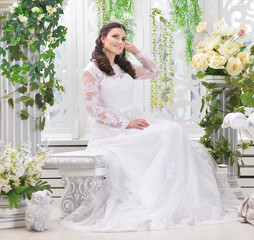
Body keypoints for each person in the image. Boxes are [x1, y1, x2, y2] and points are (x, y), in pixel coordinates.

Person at [62, 21, 240, 232]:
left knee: (174, 131)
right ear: (102, 39)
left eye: (123, 38)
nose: (120, 41)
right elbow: (93, 109)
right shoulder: (91, 71)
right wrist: (125, 123)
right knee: (169, 133)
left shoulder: (124, 67)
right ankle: (151, 197)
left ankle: (178, 200)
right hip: (113, 129)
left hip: (134, 121)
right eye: (115, 37)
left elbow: (154, 70)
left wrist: (135, 50)